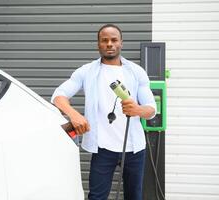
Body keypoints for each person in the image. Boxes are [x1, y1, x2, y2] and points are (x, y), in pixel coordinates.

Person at [51, 24, 156, 200]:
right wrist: (74, 114)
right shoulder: (86, 71)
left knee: (134, 196)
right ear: (98, 44)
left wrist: (138, 110)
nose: (109, 44)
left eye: (114, 40)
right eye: (104, 40)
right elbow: (58, 96)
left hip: (134, 149)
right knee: (97, 196)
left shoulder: (136, 72)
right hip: (102, 149)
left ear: (121, 43)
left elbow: (152, 110)